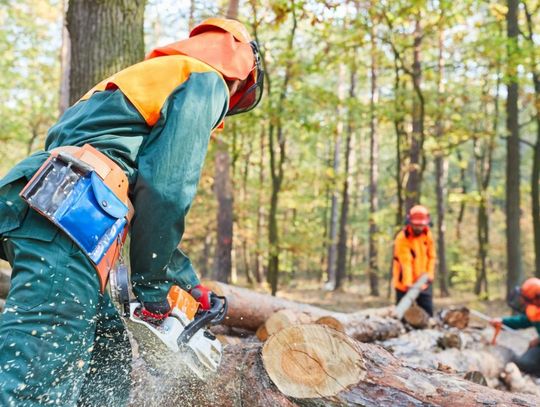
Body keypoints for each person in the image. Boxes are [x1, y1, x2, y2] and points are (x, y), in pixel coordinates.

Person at [0, 17, 263, 406]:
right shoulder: (206, 78)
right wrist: (154, 287)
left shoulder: (146, 80)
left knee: (108, 356)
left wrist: (184, 281)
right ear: (242, 66)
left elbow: (141, 190)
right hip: (70, 215)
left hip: (52, 207)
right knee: (42, 362)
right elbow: (165, 189)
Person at [490, 278, 540, 377]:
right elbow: (523, 321)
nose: (524, 302)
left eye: (526, 300)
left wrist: (538, 340)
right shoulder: (535, 310)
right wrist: (503, 321)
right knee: (523, 363)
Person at [392, 205, 436, 316]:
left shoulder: (428, 235)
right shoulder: (402, 238)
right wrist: (408, 283)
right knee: (402, 316)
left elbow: (432, 256)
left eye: (421, 225)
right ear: (410, 222)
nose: (418, 228)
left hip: (423, 283)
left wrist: (429, 274)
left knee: (428, 314)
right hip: (404, 285)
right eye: (416, 225)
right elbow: (405, 262)